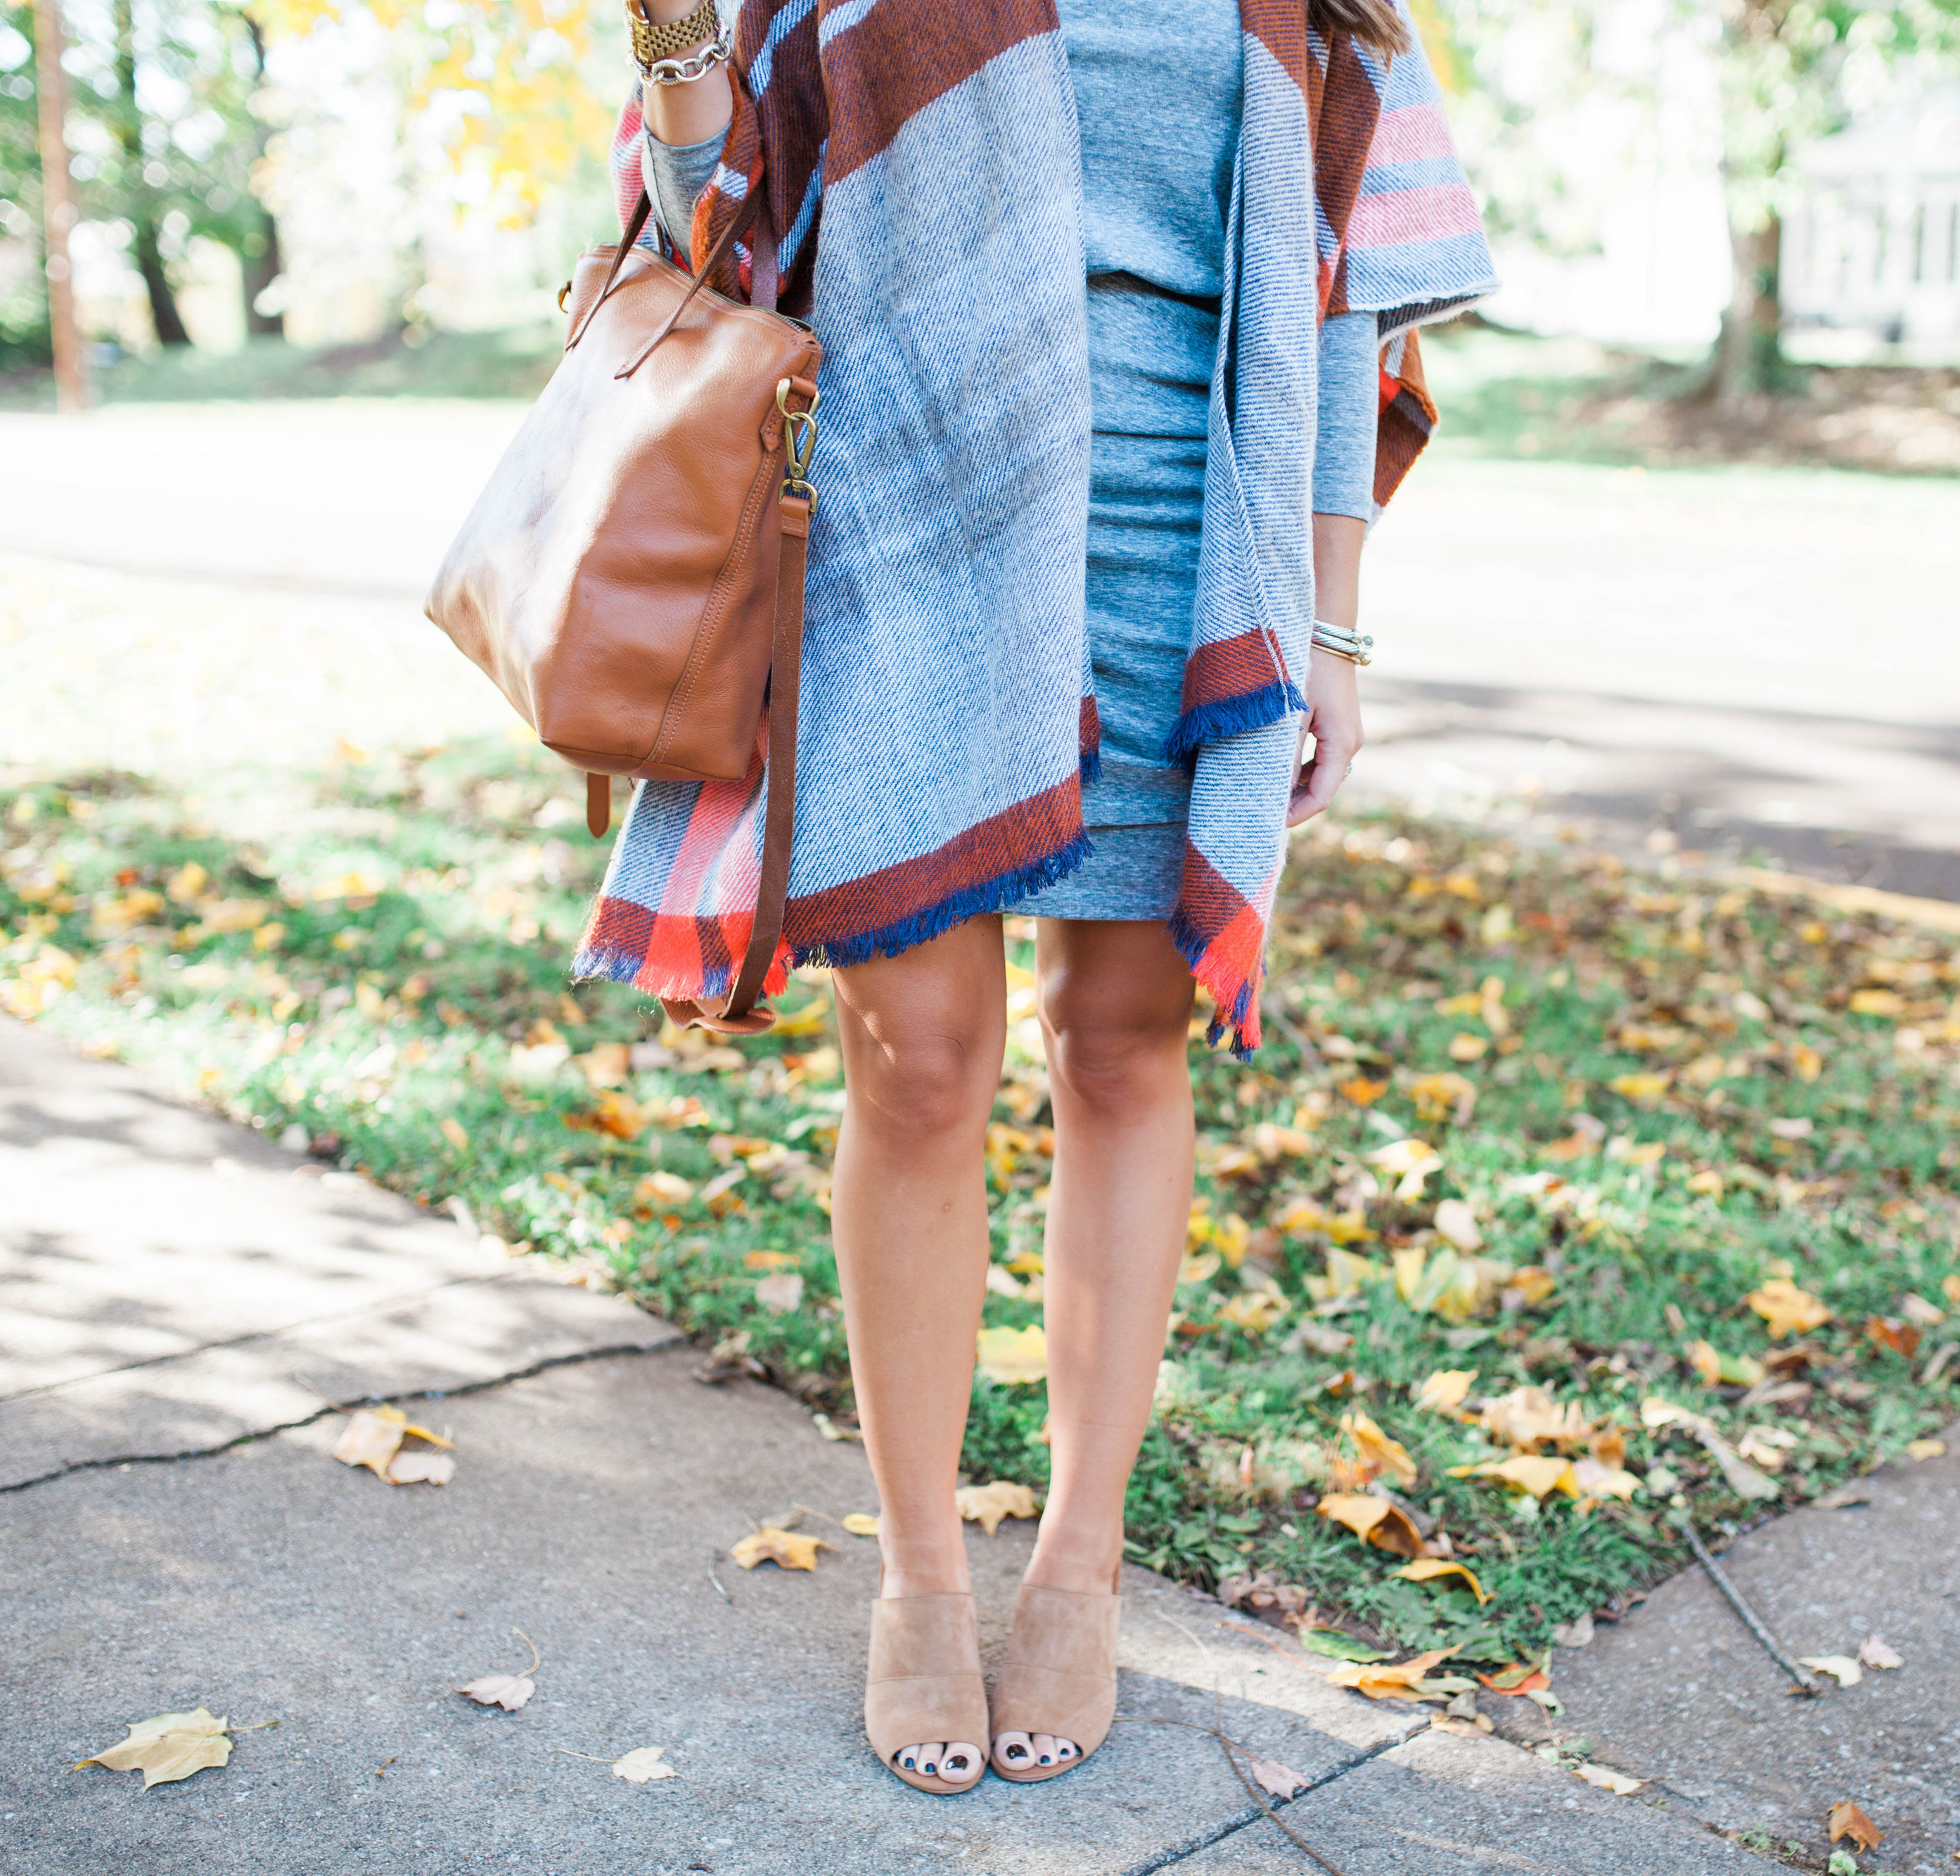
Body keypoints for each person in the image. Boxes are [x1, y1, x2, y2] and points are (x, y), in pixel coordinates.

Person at [574, 0, 1492, 1794]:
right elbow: (711, 225)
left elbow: (1338, 309)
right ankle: (919, 1571)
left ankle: (1077, 1562)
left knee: (1122, 1048)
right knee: (918, 1059)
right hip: (905, 515)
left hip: (1179, 526)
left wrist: (1329, 627)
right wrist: (681, 43)